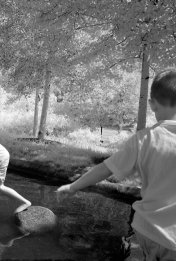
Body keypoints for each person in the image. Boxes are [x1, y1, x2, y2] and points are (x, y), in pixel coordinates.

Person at [56, 69, 176, 261]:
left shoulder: (144, 139)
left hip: (148, 228)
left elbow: (106, 168)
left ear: (152, 104)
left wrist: (73, 186)